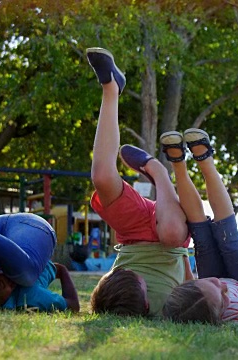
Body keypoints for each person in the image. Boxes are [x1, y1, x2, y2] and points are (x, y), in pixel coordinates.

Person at [84, 47, 193, 317]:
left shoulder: (112, 303)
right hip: (171, 239)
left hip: (132, 235)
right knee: (169, 233)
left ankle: (111, 88)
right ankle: (158, 170)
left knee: (101, 177)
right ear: (145, 303)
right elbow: (190, 286)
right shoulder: (161, 312)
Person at [160, 129, 238, 328]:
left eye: (213, 285)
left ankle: (177, 164)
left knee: (201, 236)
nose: (222, 286)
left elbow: (189, 288)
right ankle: (205, 160)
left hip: (209, 279)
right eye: (223, 298)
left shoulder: (196, 299)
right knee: (228, 236)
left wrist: (186, 263)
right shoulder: (237, 317)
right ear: (219, 313)